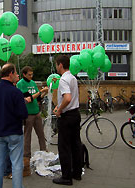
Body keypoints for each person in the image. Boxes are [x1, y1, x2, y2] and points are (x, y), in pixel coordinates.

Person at [0, 63, 28, 188]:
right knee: (16, 164)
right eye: (15, 73)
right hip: (14, 132)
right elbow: (23, 114)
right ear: (10, 74)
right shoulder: (16, 92)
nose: (17, 75)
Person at [52, 55, 82, 186]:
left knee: (64, 147)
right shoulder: (73, 78)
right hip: (75, 113)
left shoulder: (63, 79)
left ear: (60, 65)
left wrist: (59, 110)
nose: (56, 67)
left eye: (56, 64)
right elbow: (72, 98)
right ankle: (77, 173)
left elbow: (68, 98)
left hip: (67, 117)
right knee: (76, 144)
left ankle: (66, 177)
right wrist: (61, 106)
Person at [16, 66, 48, 176]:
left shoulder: (33, 83)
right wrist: (40, 91)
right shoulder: (21, 84)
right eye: (29, 74)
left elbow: (38, 99)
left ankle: (44, 152)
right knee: (27, 136)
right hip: (28, 114)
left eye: (32, 74)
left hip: (36, 112)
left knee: (41, 134)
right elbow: (28, 98)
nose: (31, 76)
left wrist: (45, 93)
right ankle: (26, 157)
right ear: (24, 74)